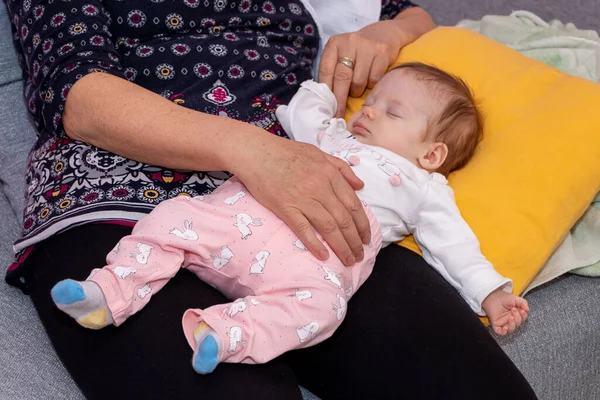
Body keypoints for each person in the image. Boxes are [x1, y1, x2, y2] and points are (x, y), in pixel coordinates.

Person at [4, 0, 538, 398]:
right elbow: (73, 91)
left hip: (317, 208)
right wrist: (254, 153)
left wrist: (385, 31)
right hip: (121, 191)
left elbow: (410, 13)